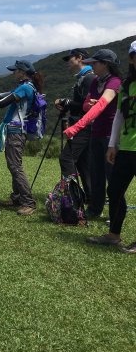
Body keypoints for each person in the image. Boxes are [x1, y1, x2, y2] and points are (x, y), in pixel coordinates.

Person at [0, 60, 44, 216]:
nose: (13, 73)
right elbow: (0, 95)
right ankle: (17, 197)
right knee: (14, 165)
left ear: (22, 72)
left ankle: (28, 202)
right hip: (17, 131)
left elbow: (0, 103)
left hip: (16, 132)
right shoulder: (25, 86)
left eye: (15, 71)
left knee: (15, 167)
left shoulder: (25, 88)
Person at [86, 41, 136, 249]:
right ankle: (113, 235)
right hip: (125, 147)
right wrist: (112, 145)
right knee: (114, 190)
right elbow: (119, 117)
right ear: (131, 59)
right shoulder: (126, 85)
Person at [64, 49, 122, 220]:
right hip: (95, 133)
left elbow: (102, 105)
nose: (91, 65)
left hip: (110, 136)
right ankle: (95, 209)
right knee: (96, 173)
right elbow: (86, 106)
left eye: (95, 63)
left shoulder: (115, 81)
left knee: (112, 176)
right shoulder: (95, 81)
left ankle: (116, 212)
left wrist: (76, 127)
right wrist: (91, 105)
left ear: (105, 64)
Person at [54, 48, 95, 203]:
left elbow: (87, 106)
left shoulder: (88, 78)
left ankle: (72, 196)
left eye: (70, 59)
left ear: (79, 58)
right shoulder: (84, 77)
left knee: (66, 158)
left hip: (84, 126)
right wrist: (68, 104)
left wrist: (66, 102)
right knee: (84, 163)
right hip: (85, 125)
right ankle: (91, 198)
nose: (67, 64)